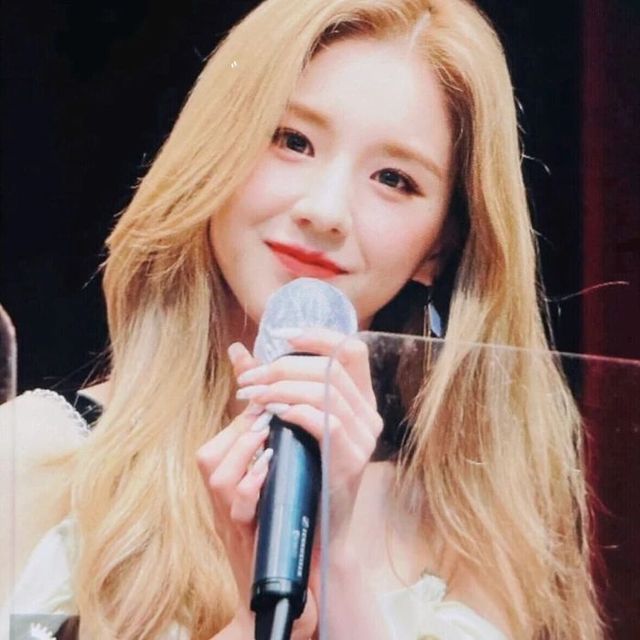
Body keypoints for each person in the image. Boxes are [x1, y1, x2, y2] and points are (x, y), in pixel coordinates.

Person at [1, 0, 602, 638]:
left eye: (394, 179)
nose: (326, 210)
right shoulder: (40, 459)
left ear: (441, 245)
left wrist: (337, 566)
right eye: (294, 141)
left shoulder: (480, 522)